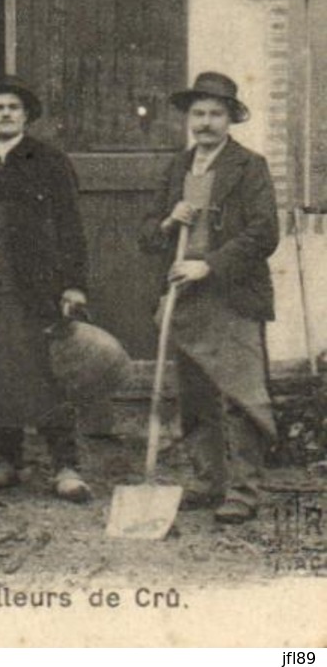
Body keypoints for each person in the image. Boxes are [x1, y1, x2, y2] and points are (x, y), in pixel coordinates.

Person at [139, 71, 278, 524]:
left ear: (231, 119)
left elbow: (263, 233)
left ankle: (244, 489)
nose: (205, 122)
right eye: (198, 113)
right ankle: (207, 480)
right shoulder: (177, 168)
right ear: (188, 118)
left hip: (231, 294)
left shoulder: (249, 166)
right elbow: (146, 234)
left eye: (216, 113)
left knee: (239, 394)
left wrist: (210, 264)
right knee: (194, 395)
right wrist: (166, 221)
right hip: (185, 296)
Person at [0, 75, 92, 502]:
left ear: (26, 116)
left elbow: (71, 227)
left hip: (37, 289)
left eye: (13, 107)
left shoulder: (48, 161)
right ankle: (8, 460)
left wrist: (73, 285)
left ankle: (65, 464)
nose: (6, 113)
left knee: (49, 371)